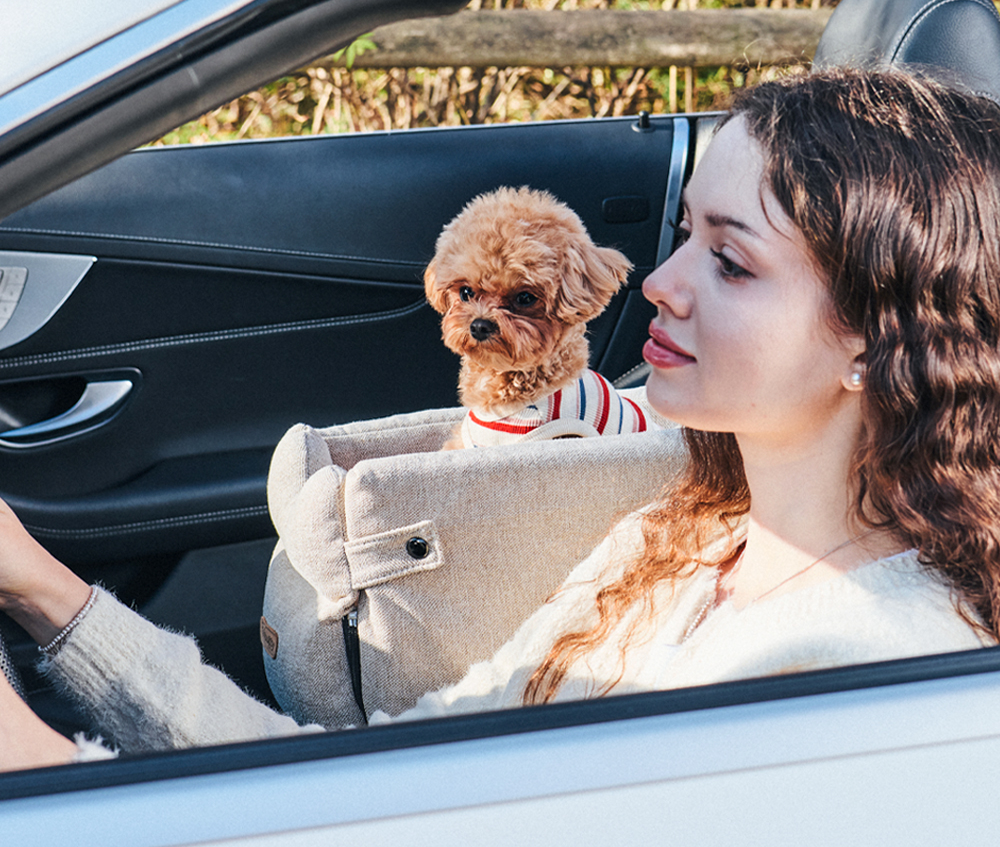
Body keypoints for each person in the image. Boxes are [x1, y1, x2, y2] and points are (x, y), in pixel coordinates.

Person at [2, 66, 1000, 767]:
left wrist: (39, 771)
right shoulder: (671, 540)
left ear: (877, 340)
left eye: (730, 261)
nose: (659, 283)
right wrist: (45, 590)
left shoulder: (858, 675)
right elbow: (380, 781)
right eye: (685, 232)